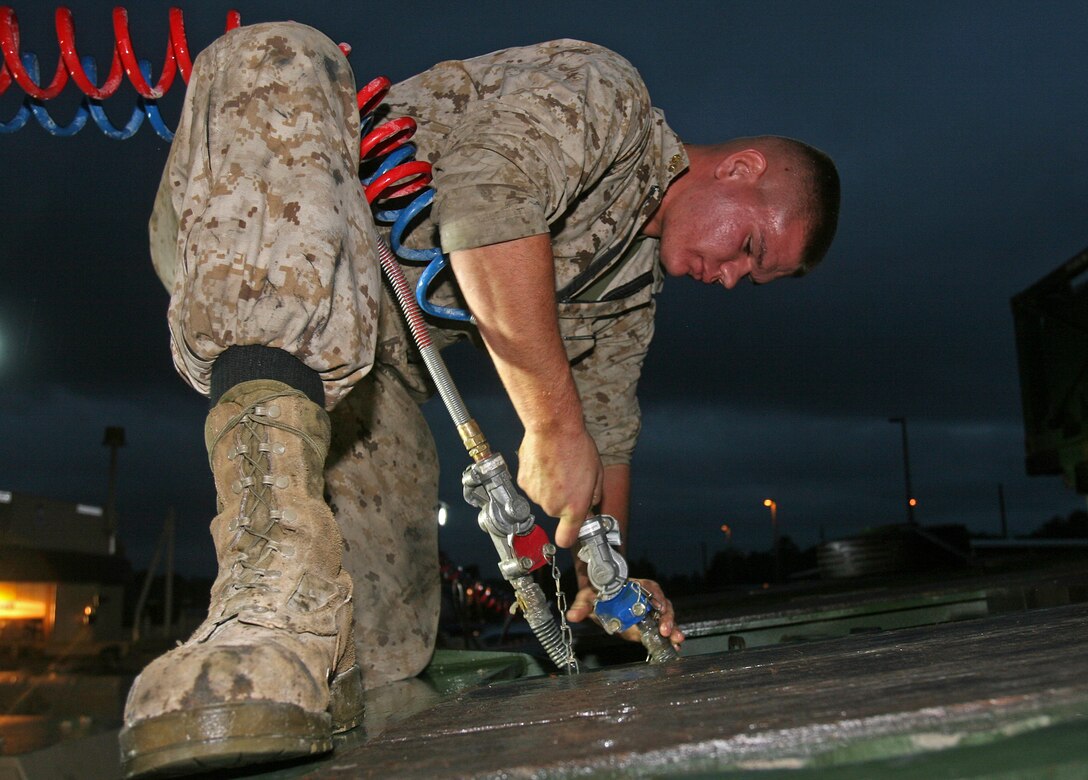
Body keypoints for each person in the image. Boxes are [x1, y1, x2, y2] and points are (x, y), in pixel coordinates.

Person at [119, 21, 840, 779]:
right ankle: (258, 610)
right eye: (749, 248)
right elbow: (486, 205)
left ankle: (308, 686)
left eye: (750, 279)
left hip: (373, 360)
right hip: (266, 190)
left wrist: (609, 579)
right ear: (741, 169)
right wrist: (550, 423)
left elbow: (604, 438)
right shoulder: (610, 100)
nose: (730, 276)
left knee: (385, 647)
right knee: (286, 55)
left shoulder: (630, 292)